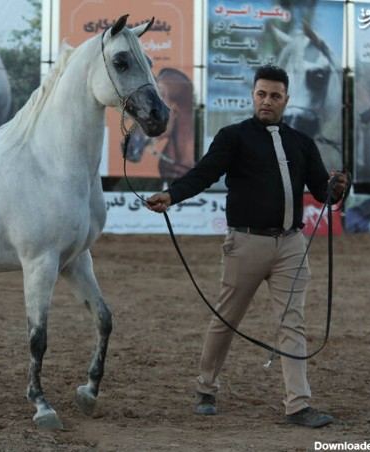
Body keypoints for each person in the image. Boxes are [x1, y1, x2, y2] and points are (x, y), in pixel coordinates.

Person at [146, 64, 347, 428]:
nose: (267, 101)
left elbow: (322, 192)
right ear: (252, 95)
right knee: (226, 319)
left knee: (292, 322)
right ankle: (206, 388)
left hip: (291, 245)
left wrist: (338, 186)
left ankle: (298, 404)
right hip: (245, 243)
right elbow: (204, 173)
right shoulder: (233, 137)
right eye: (261, 94)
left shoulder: (303, 143)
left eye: (274, 96)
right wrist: (171, 195)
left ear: (287, 99)